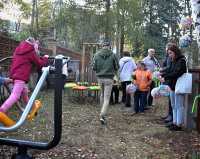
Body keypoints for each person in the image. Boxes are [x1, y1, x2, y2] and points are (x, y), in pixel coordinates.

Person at [0, 37, 49, 113]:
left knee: (25, 92)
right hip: (21, 76)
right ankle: (2, 110)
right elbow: (39, 63)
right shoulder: (30, 51)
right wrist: (45, 58)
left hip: (14, 74)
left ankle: (29, 108)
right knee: (15, 96)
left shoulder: (18, 49)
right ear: (33, 44)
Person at [92, 40, 119, 125]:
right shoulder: (113, 55)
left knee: (102, 95)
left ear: (102, 46)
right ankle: (102, 114)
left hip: (100, 78)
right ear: (109, 46)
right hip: (109, 78)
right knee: (107, 98)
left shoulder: (96, 55)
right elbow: (117, 66)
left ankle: (101, 112)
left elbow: (94, 67)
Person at [161, 44, 186, 131]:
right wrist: (162, 74)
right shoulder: (173, 60)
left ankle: (179, 124)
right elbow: (170, 70)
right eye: (169, 54)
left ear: (175, 52)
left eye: (171, 53)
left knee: (179, 106)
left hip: (179, 86)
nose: (170, 55)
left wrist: (165, 77)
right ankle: (174, 122)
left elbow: (177, 73)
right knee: (173, 105)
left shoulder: (181, 60)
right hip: (172, 85)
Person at [160, 43, 175, 124]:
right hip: (167, 79)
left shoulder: (169, 57)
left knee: (171, 100)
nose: (166, 50)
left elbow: (169, 67)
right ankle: (169, 114)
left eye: (167, 48)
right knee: (170, 99)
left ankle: (171, 116)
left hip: (169, 80)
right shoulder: (167, 56)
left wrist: (161, 70)